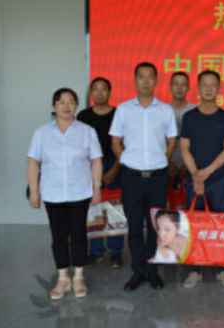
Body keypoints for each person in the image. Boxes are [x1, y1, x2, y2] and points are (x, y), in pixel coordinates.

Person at [27, 88, 103, 300]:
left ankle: (78, 276)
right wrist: (34, 191)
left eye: (71, 102)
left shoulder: (87, 131)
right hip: (52, 193)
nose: (66, 106)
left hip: (80, 192)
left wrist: (97, 188)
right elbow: (33, 162)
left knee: (79, 235)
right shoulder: (41, 133)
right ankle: (62, 278)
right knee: (58, 236)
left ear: (76, 106)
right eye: (61, 102)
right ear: (54, 106)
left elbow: (96, 160)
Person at [110, 62, 177, 292]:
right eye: (141, 77)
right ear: (135, 80)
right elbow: (115, 141)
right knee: (135, 226)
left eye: (150, 77)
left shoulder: (165, 110)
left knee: (156, 225)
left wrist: (162, 160)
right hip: (132, 177)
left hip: (158, 176)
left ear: (156, 81)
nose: (146, 81)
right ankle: (138, 271)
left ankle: (152, 270)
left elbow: (171, 141)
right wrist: (126, 160)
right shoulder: (123, 109)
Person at [180, 70, 224, 289]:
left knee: (220, 225)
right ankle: (195, 270)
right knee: (195, 224)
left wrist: (207, 172)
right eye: (205, 85)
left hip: (218, 180)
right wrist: (196, 174)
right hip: (194, 180)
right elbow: (184, 148)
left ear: (218, 89)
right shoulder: (189, 117)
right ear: (198, 88)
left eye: (213, 85)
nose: (209, 89)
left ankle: (222, 268)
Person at [77, 77, 124, 268]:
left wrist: (115, 169)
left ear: (110, 92)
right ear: (91, 93)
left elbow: (124, 144)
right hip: (89, 166)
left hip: (115, 165)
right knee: (93, 210)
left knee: (115, 211)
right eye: (95, 89)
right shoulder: (83, 116)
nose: (99, 93)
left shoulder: (119, 114)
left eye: (103, 89)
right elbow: (79, 146)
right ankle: (96, 251)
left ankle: (116, 252)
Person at [169, 72, 196, 195]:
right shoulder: (162, 110)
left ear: (188, 87)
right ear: (170, 86)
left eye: (183, 84)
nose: (179, 88)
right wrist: (168, 162)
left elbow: (199, 141)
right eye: (176, 84)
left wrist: (188, 164)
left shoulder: (195, 111)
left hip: (191, 167)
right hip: (166, 166)